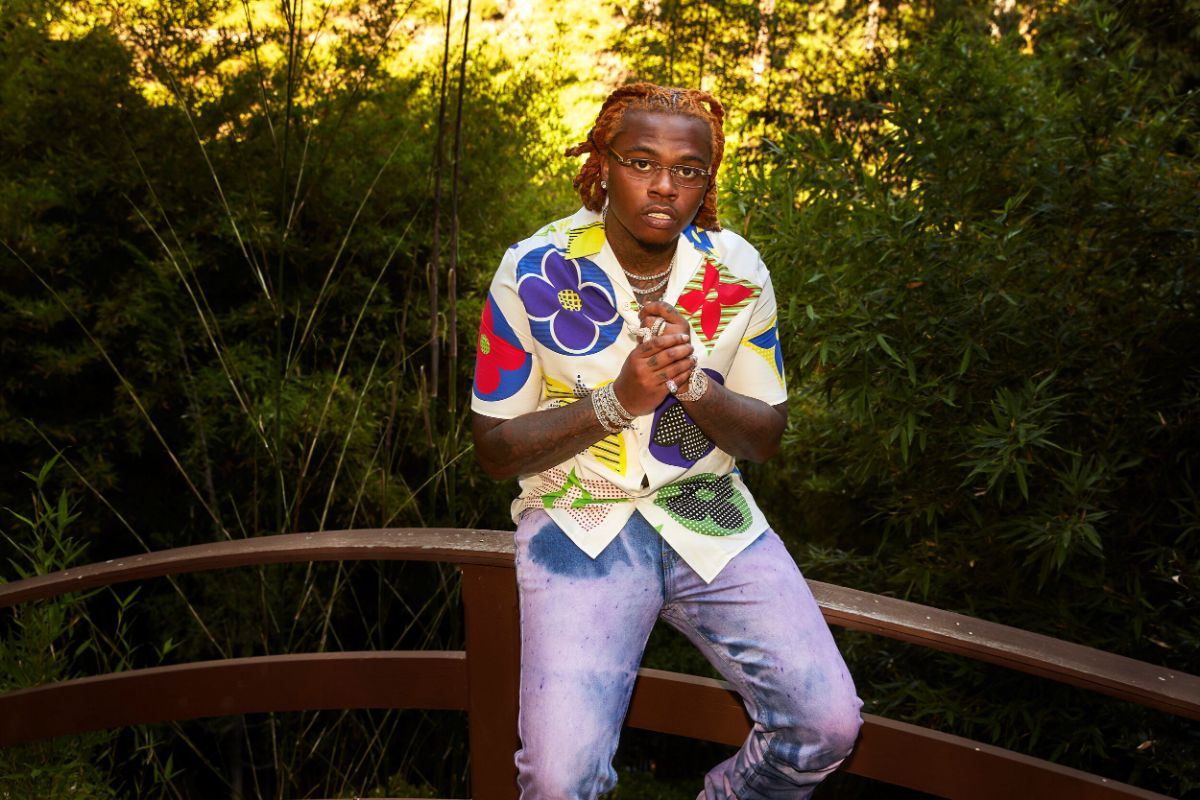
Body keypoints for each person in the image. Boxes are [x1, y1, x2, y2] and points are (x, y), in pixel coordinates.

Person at [470, 82, 862, 799]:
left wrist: (695, 386)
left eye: (688, 169)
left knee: (827, 723)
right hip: (575, 516)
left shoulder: (737, 272)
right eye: (641, 160)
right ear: (602, 163)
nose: (663, 184)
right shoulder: (532, 270)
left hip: (705, 507)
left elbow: (767, 437)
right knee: (559, 782)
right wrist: (619, 402)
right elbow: (495, 450)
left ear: (707, 181)